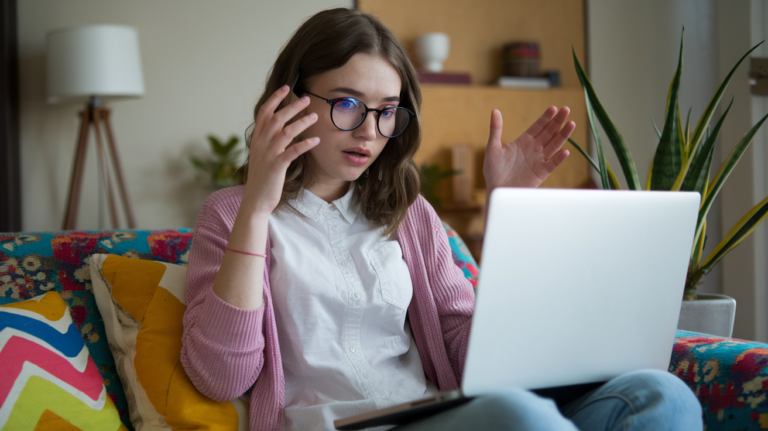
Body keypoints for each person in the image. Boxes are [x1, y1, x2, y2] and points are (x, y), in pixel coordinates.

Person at [180, 7, 702, 431]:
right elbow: (220, 377)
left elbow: (469, 356)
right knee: (521, 417)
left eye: (387, 110)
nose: (369, 131)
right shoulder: (230, 214)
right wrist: (256, 208)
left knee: (660, 395)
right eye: (347, 104)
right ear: (290, 99)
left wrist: (511, 220)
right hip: (334, 426)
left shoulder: (410, 214)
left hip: (435, 416)